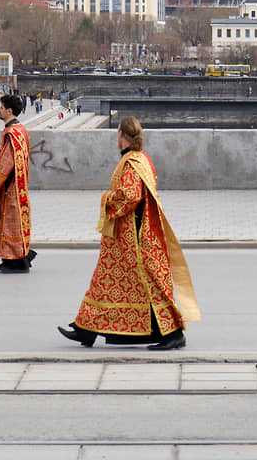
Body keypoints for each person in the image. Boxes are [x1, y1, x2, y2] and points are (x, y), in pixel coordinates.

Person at [59, 116, 200, 350]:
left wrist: (106, 199)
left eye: (117, 132)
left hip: (133, 237)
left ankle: (173, 334)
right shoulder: (142, 159)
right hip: (129, 235)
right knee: (104, 281)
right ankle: (86, 329)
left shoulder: (131, 162)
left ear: (122, 135)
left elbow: (130, 196)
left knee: (150, 284)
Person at [0, 94, 35, 273]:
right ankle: (10, 257)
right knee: (13, 221)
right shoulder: (21, 129)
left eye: (1, 107)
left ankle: (16, 260)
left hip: (10, 185)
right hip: (19, 183)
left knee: (9, 221)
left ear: (9, 111)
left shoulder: (11, 133)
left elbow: (6, 161)